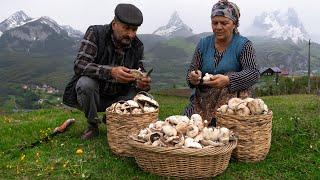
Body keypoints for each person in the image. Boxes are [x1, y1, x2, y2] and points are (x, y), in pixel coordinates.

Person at [62, 3, 151, 140]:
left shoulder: (137, 45)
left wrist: (143, 82)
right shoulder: (96, 33)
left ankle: (111, 118)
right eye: (127, 28)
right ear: (114, 24)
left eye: (134, 30)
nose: (131, 34)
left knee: (146, 98)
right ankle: (93, 125)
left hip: (118, 99)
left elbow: (140, 71)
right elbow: (80, 65)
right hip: (93, 97)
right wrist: (111, 72)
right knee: (85, 83)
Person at [183, 0, 260, 126]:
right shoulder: (203, 44)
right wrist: (194, 77)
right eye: (215, 23)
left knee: (223, 132)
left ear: (234, 24)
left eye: (224, 23)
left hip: (231, 101)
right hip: (202, 100)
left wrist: (228, 79)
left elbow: (253, 73)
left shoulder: (243, 45)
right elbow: (191, 72)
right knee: (189, 128)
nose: (218, 27)